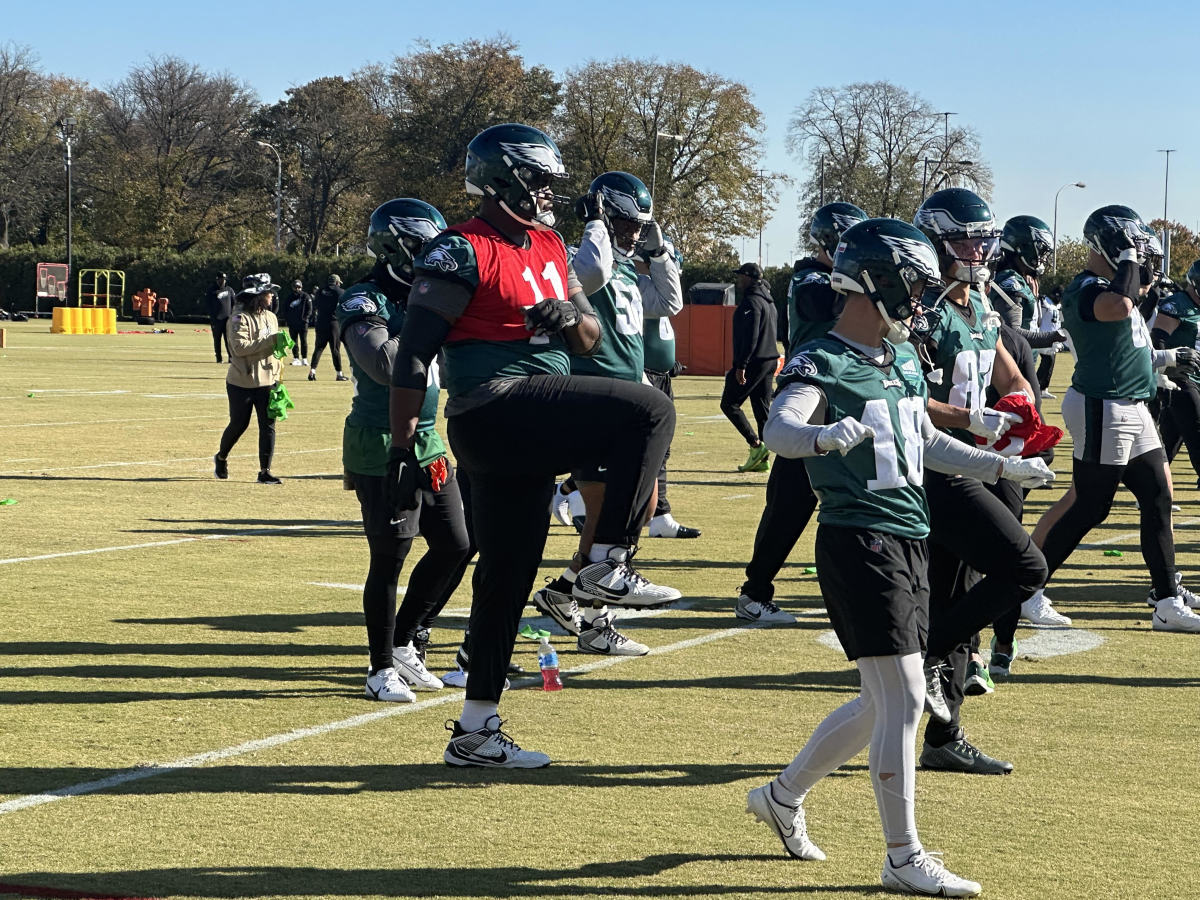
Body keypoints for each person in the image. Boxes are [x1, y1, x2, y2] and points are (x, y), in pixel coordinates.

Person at [747, 218, 1051, 897]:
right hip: (859, 538)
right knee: (906, 697)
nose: (921, 298)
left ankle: (782, 795)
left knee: (878, 704)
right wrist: (827, 436)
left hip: (907, 534)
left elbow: (922, 442)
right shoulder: (821, 356)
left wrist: (999, 464)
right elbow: (780, 429)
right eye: (913, 284)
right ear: (877, 281)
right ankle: (901, 855)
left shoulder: (901, 356)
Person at [388, 122, 680, 768]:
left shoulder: (549, 246)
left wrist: (566, 319)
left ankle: (475, 730)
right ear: (505, 178)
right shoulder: (459, 249)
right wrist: (405, 442)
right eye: (540, 179)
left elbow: (588, 333)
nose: (550, 192)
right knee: (651, 412)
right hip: (490, 408)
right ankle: (608, 559)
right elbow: (412, 355)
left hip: (527, 422)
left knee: (507, 577)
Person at [909, 188, 1048, 773]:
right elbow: (908, 402)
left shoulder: (979, 304)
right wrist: (973, 418)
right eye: (969, 238)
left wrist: (1019, 403)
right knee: (1024, 568)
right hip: (936, 466)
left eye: (985, 237)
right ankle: (931, 653)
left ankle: (943, 738)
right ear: (939, 241)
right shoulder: (922, 311)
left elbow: (1000, 364)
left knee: (956, 594)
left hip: (975, 460)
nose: (981, 248)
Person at [529, 170, 684, 657]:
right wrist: (597, 222)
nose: (633, 232)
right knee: (608, 514)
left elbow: (671, 302)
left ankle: (569, 597)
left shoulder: (628, 271)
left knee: (628, 510)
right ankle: (593, 620)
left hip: (628, 401)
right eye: (626, 222)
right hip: (596, 397)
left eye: (640, 225)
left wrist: (659, 255)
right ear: (603, 215)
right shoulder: (582, 261)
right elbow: (589, 272)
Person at [1032, 205, 1200, 633]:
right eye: (1133, 250)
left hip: (1131, 405)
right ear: (1111, 245)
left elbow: (1131, 350)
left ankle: (1165, 600)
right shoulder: (1086, 288)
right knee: (1091, 505)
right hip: (1102, 404)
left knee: (1158, 496)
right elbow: (1118, 307)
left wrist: (1166, 361)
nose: (1141, 261)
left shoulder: (1109, 288)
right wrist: (1126, 261)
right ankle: (1025, 591)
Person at [338, 198, 472, 703]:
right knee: (389, 558)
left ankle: (403, 641)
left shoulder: (435, 293)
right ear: (396, 248)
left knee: (457, 543)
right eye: (424, 249)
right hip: (380, 438)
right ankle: (378, 669)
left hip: (429, 437)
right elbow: (385, 363)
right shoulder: (364, 300)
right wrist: (428, 319)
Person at [736, 201, 867, 624]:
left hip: (851, 397)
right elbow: (824, 305)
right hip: (812, 400)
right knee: (790, 503)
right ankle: (755, 592)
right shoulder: (809, 278)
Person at [214, 274, 285, 485]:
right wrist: (271, 341)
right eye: (267, 292)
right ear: (256, 295)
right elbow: (239, 348)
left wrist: (279, 377)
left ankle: (265, 471)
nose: (271, 296)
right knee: (239, 424)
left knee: (268, 426)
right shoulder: (238, 318)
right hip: (241, 382)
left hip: (268, 381)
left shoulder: (271, 317)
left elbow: (275, 350)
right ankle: (221, 457)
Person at [721, 262, 778, 472]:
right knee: (762, 410)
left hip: (754, 361)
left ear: (750, 278)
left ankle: (756, 445)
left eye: (741, 276)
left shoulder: (752, 302)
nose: (738, 280)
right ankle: (769, 459)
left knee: (729, 404)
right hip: (770, 360)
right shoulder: (769, 301)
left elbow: (751, 335)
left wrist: (741, 365)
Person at [1154, 260, 1200, 480]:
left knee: (1171, 436)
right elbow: (1158, 340)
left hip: (1197, 377)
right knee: (1196, 429)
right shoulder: (1177, 304)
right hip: (1180, 377)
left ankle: (1154, 487)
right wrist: (1162, 374)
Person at [309, 275, 348, 381]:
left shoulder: (319, 291)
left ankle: (312, 371)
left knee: (319, 348)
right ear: (336, 282)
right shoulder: (340, 291)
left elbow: (315, 304)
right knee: (335, 349)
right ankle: (339, 374)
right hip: (333, 322)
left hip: (321, 321)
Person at [206, 273, 236, 362]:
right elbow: (208, 304)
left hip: (228, 320)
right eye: (221, 279)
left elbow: (234, 303)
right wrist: (212, 317)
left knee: (228, 340)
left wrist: (233, 316)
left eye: (224, 279)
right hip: (216, 320)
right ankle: (219, 358)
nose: (223, 281)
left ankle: (231, 358)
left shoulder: (229, 290)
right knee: (217, 339)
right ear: (217, 279)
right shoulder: (211, 290)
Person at [282, 280, 313, 367]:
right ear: (293, 287)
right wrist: (288, 320)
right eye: (295, 287)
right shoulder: (289, 298)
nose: (297, 289)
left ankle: (304, 359)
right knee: (293, 341)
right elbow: (285, 310)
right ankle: (296, 358)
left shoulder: (306, 296)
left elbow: (309, 309)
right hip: (292, 324)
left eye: (299, 287)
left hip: (303, 324)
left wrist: (305, 319)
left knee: (304, 341)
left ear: (301, 287)